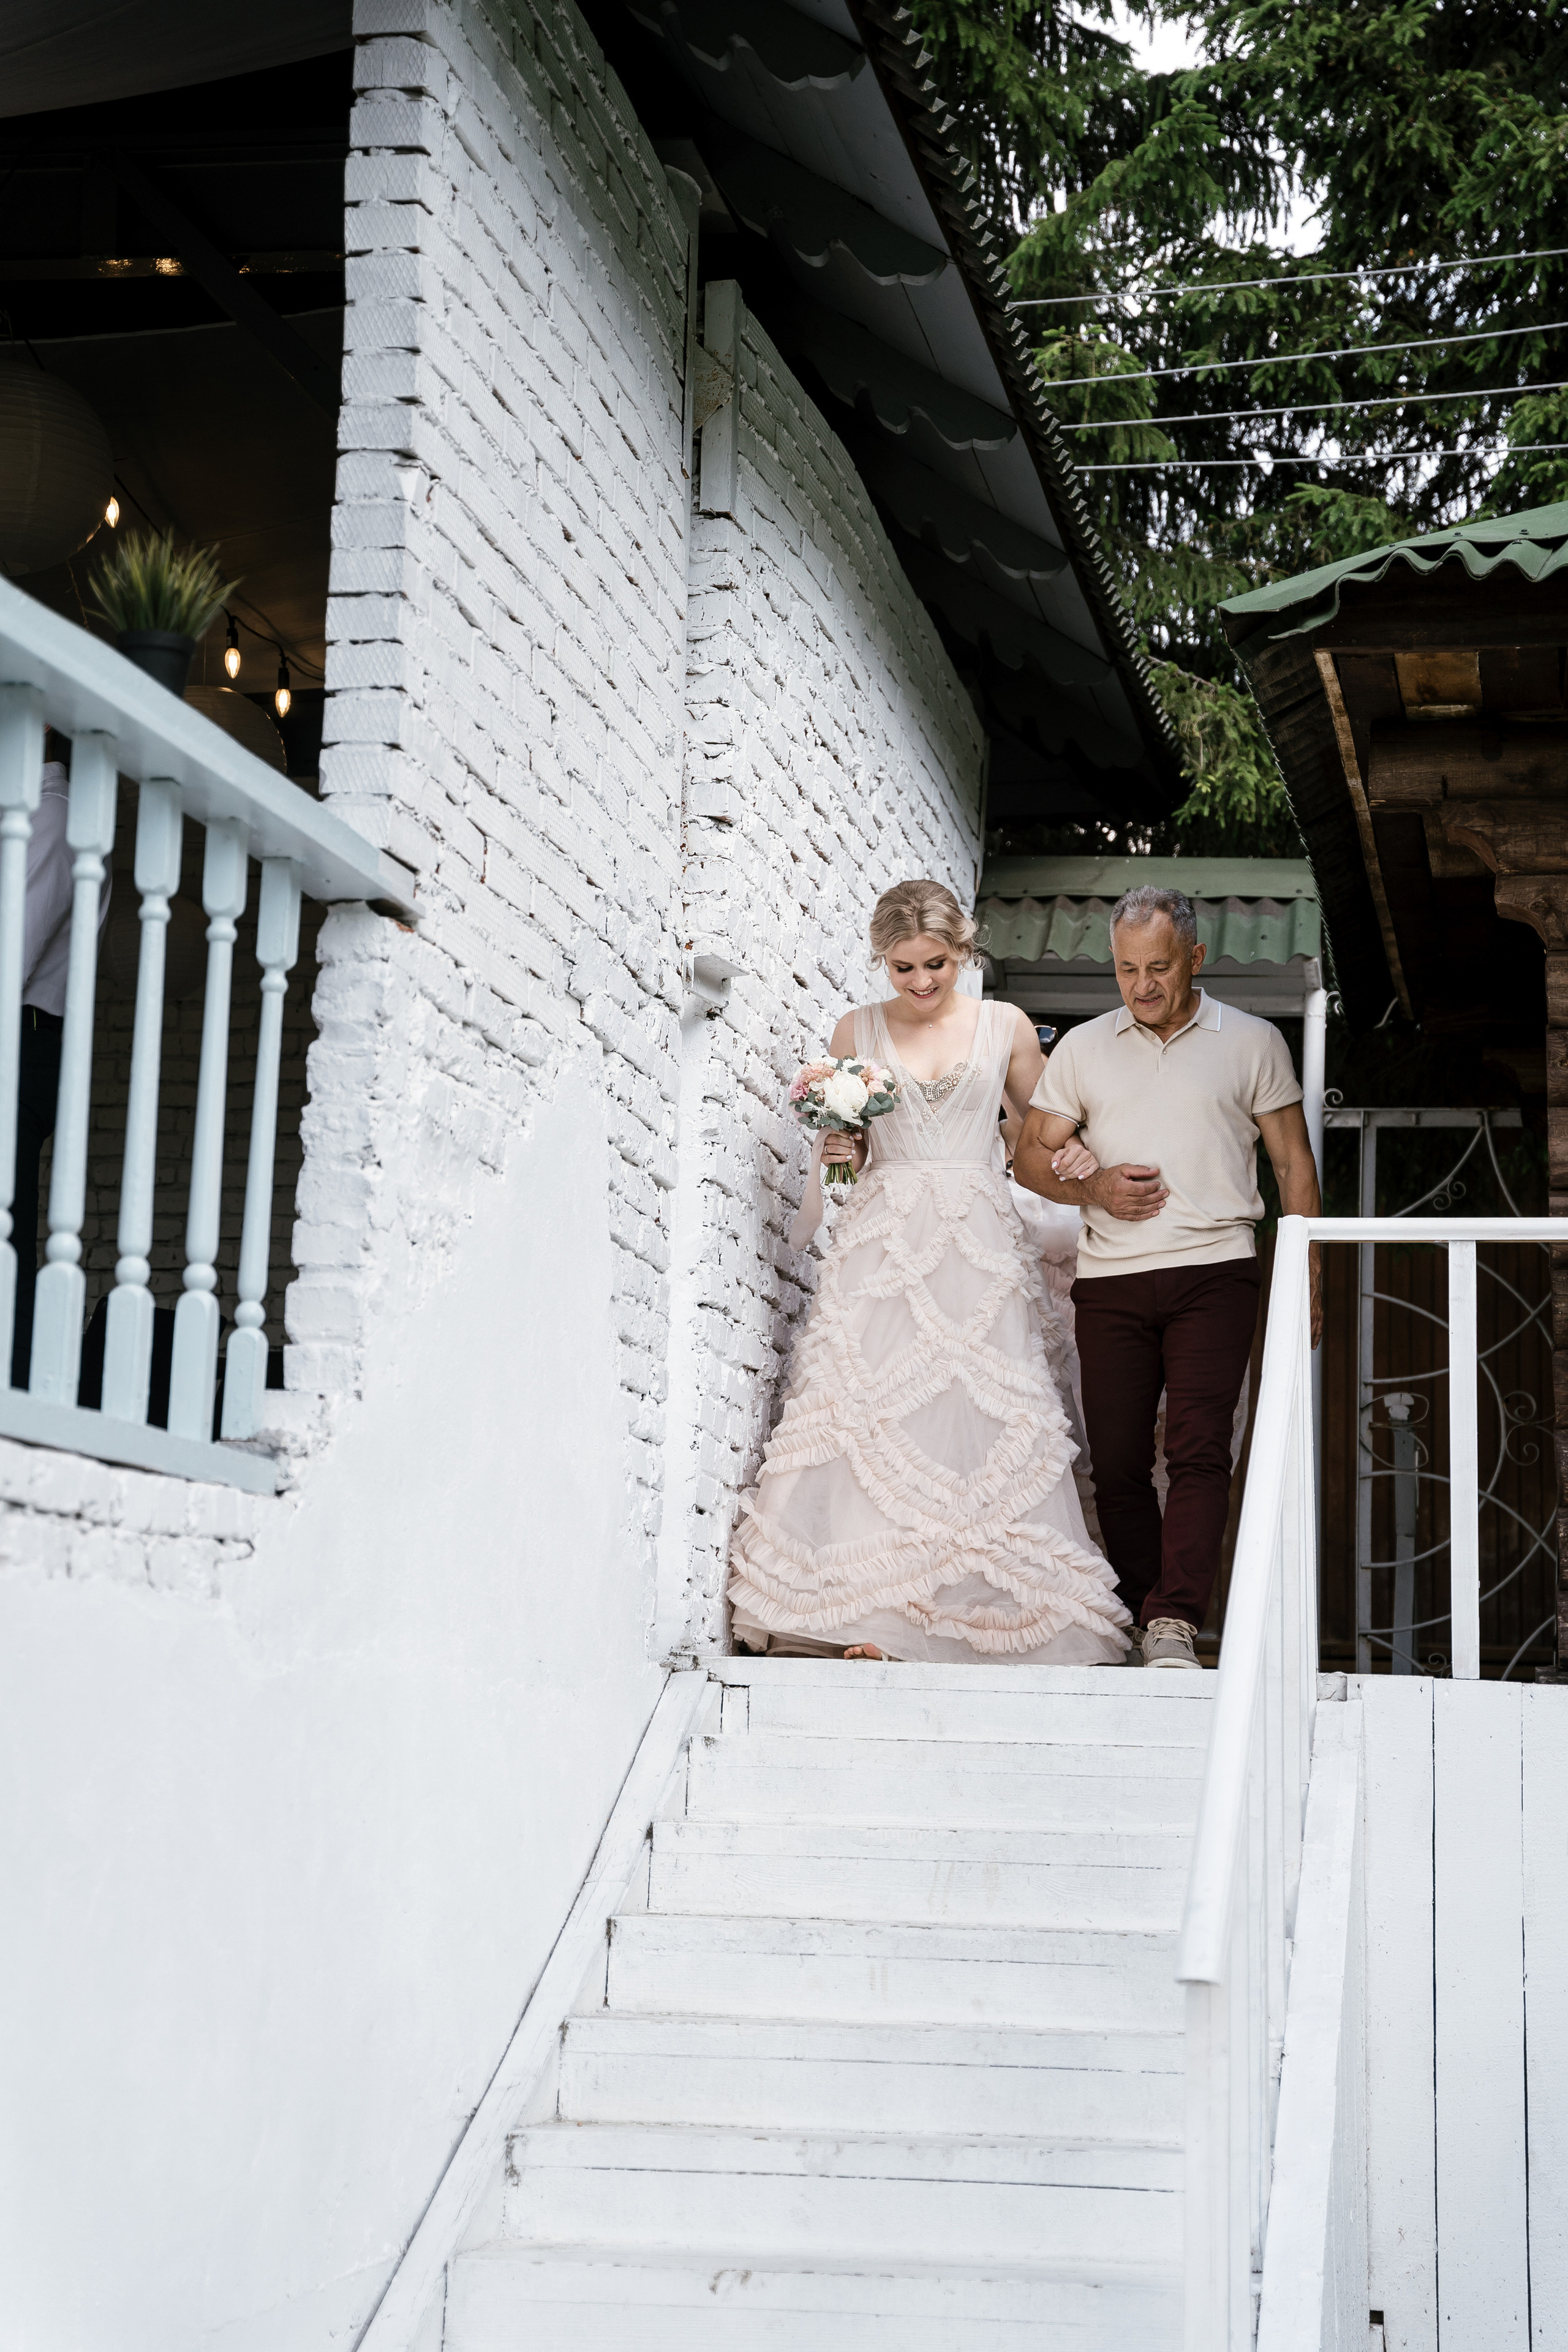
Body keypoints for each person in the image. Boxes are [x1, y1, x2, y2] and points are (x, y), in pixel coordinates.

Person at [726, 878, 1132, 1665]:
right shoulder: (855, 1028)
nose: (919, 983)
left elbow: (1037, 1138)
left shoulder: (1005, 1027)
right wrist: (838, 1153)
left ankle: (981, 1616)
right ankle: (864, 1611)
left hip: (978, 1237)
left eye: (936, 965)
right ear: (882, 961)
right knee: (869, 1410)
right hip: (884, 1240)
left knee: (981, 1414)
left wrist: (1080, 1155)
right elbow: (846, 1175)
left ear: (965, 951)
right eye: (901, 968)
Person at [1014, 884, 1322, 1670]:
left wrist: (1308, 1277)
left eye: (1157, 967)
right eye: (1125, 970)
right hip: (1111, 1280)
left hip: (1216, 1272)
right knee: (1115, 1459)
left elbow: (1293, 1165)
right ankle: (1143, 1610)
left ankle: (1176, 1622)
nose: (1142, 986)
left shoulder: (1252, 1042)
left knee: (1196, 1450)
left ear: (1194, 956)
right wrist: (1091, 1187)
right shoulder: (1083, 1048)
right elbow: (1028, 1156)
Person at [10, 733, 109, 1389]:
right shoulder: (43, 811)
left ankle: (11, 1380)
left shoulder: (51, 814)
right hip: (29, 1035)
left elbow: (7, 955)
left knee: (7, 1220)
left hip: (22, 1035)